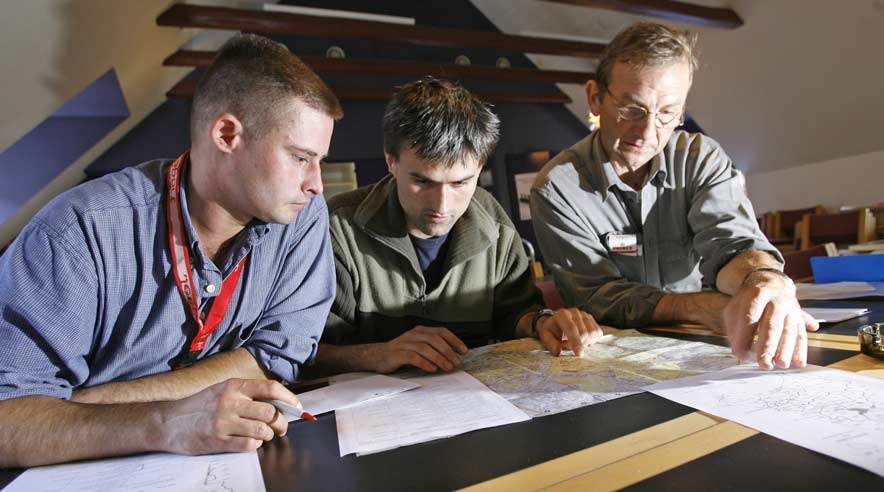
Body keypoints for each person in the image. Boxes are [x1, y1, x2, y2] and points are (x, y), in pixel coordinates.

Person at [0, 34, 342, 467]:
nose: (316, 184)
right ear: (226, 134)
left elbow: (274, 357)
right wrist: (164, 420)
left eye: (320, 161)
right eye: (299, 157)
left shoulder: (300, 216)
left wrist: (83, 405)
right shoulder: (76, 232)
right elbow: (9, 419)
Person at [530, 23, 818, 370]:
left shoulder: (700, 158)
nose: (649, 133)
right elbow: (595, 295)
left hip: (707, 339)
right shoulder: (558, 187)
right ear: (595, 98)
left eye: (668, 113)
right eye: (632, 110)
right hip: (612, 352)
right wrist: (699, 307)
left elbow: (732, 245)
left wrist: (764, 280)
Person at [313, 78, 602, 375]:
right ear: (391, 161)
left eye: (461, 183)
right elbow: (305, 353)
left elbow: (515, 314)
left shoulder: (496, 225)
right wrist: (377, 355)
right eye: (422, 181)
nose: (442, 205)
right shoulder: (338, 228)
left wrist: (542, 321)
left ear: (479, 169)